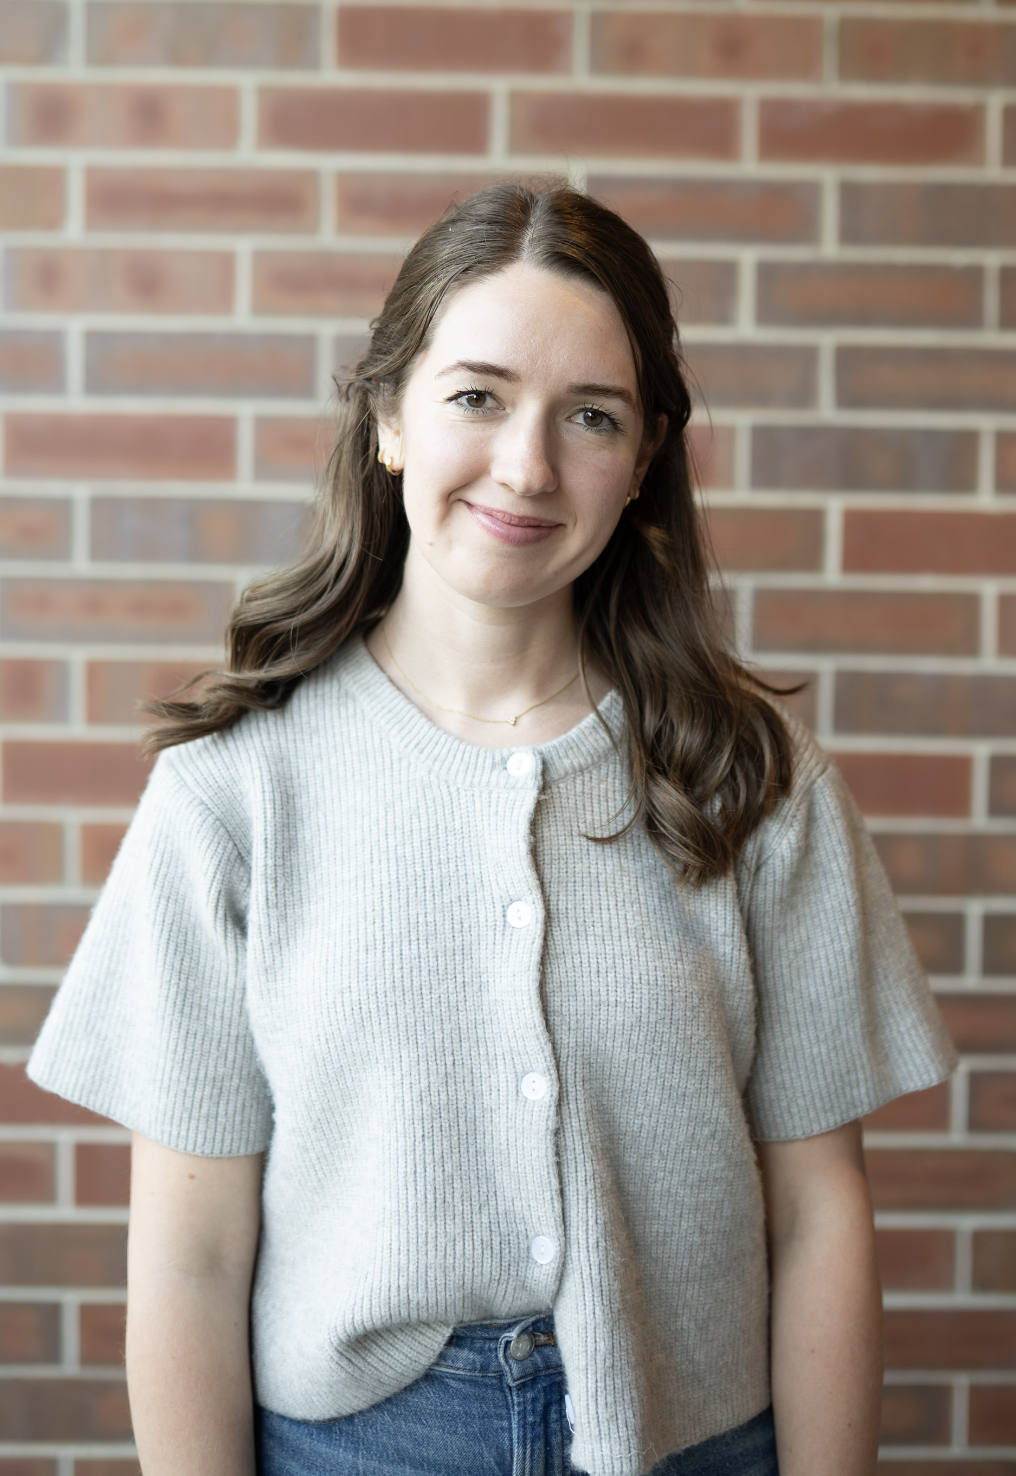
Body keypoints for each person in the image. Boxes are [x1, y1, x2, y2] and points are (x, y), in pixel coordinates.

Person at [28, 182, 956, 1476]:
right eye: (477, 395)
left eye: (590, 417)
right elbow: (189, 1256)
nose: (527, 466)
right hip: (356, 1446)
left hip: (695, 1438)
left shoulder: (755, 781)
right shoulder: (234, 793)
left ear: (642, 466)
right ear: (388, 417)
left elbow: (818, 1215)